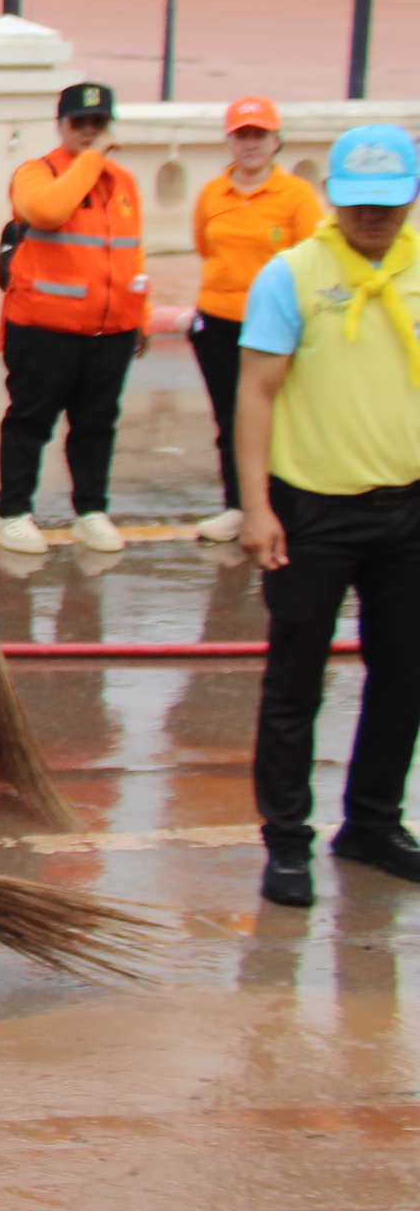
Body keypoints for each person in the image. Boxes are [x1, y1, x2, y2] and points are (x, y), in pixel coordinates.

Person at [230, 121, 420, 911]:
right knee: (295, 679)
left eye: (389, 203)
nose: (373, 217)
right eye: (359, 202)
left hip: (407, 506)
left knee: (405, 674)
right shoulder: (292, 274)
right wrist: (255, 507)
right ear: (335, 198)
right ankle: (286, 838)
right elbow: (256, 393)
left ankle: (372, 822)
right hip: (311, 510)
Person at [0, 80, 151, 555]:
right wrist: (91, 159)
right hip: (43, 328)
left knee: (96, 424)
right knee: (30, 421)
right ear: (61, 125)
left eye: (97, 123)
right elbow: (46, 211)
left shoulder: (122, 182)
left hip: (110, 330)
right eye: (78, 123)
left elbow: (131, 253)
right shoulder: (36, 173)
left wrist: (140, 315)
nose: (88, 131)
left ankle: (91, 511)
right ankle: (13, 513)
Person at [187, 99, 325, 546]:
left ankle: (284, 504)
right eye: (241, 135)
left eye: (259, 135)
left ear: (276, 141)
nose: (250, 144)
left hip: (275, 329)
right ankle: (238, 506)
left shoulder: (296, 195)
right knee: (230, 418)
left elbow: (312, 256)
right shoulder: (212, 193)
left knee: (280, 415)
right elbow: (205, 247)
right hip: (218, 322)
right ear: (229, 141)